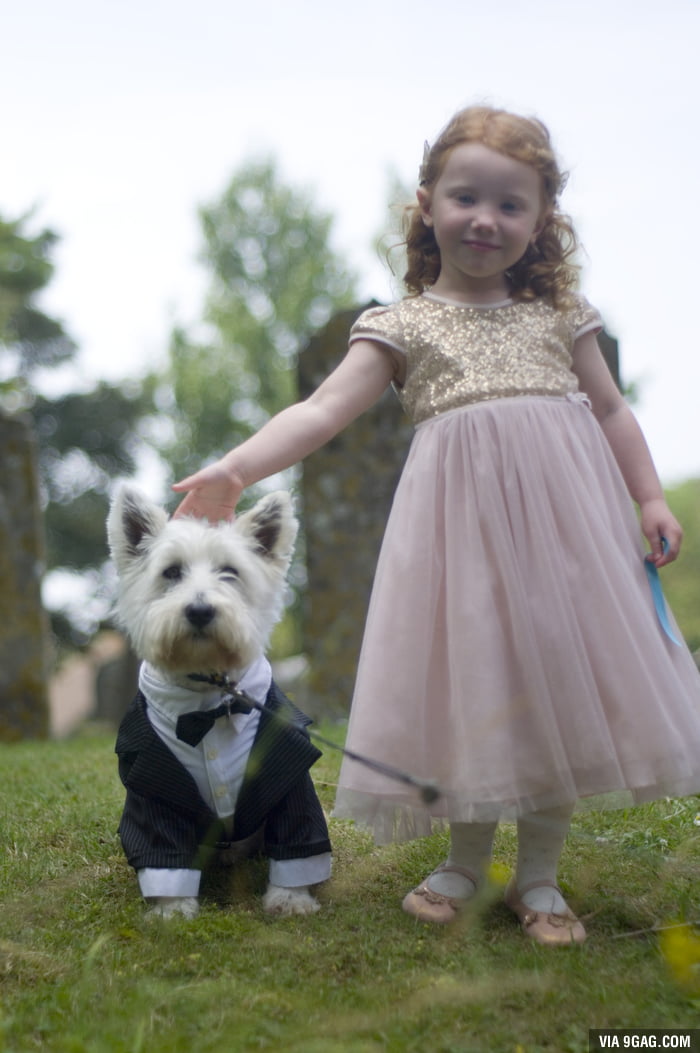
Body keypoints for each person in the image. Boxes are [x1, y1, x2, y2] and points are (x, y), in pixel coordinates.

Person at [173, 106, 700, 945]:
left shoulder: (559, 315)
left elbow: (611, 410)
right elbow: (321, 409)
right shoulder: (403, 324)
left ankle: (540, 880)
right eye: (466, 197)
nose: (486, 219)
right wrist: (239, 468)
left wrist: (649, 497)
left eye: (511, 204)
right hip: (464, 545)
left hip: (569, 539)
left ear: (542, 222)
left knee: (555, 683)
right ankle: (462, 863)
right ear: (426, 203)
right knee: (480, 684)